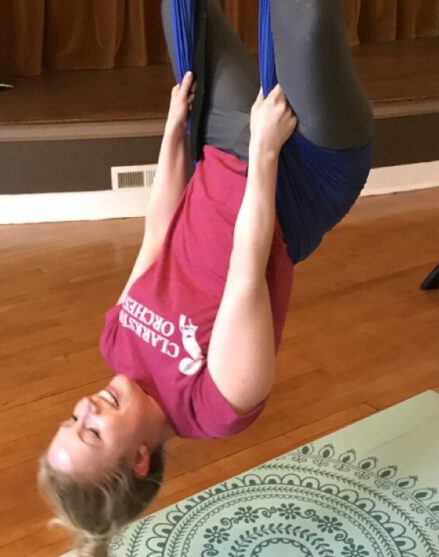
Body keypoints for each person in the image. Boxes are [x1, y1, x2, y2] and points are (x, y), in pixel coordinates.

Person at [38, 1, 374, 555]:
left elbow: (158, 235)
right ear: (139, 460)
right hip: (301, 175)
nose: (87, 408)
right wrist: (266, 151)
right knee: (306, 14)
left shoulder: (115, 344)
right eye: (92, 432)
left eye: (71, 419)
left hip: (222, 145)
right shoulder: (216, 407)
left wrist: (173, 132)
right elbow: (247, 273)